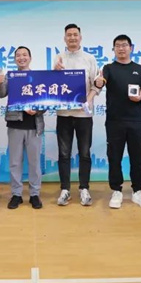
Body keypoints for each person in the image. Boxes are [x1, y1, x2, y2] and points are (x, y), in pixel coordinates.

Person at [95, 35, 141, 209]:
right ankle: (116, 190)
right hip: (115, 121)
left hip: (135, 120)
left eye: (124, 45)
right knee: (114, 157)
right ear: (113, 49)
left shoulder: (139, 69)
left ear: (131, 48)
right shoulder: (108, 68)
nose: (121, 48)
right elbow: (100, 82)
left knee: (138, 156)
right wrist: (98, 82)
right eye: (118, 45)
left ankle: (138, 191)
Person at [53, 24, 102, 207]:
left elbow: (97, 83)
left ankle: (84, 188)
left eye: (75, 34)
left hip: (84, 115)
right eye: (69, 35)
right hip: (64, 114)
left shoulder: (89, 58)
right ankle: (65, 189)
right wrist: (55, 73)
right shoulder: (59, 57)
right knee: (63, 153)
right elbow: (53, 86)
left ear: (80, 37)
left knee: (85, 152)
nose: (72, 38)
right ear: (64, 38)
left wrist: (88, 99)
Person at [0, 46, 45, 209]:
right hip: (15, 124)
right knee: (15, 162)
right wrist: (0, 82)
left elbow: (46, 100)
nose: (21, 58)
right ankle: (16, 194)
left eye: (25, 55)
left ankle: (34, 194)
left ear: (30, 58)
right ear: (15, 59)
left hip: (34, 125)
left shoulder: (38, 77)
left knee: (34, 162)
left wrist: (37, 110)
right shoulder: (11, 76)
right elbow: (1, 93)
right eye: (18, 55)